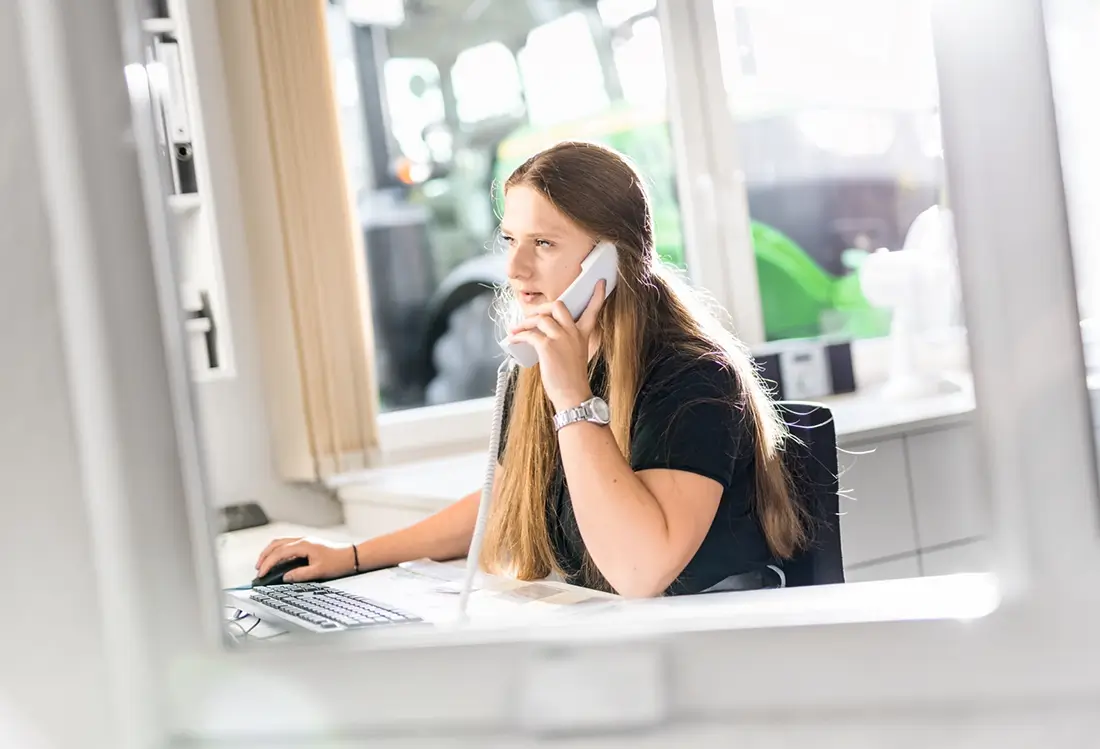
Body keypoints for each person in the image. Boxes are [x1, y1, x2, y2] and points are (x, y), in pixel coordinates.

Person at [255, 141, 806, 597]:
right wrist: (352, 556)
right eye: (510, 241)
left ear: (610, 259)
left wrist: (572, 399)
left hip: (716, 647)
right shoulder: (547, 363)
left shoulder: (693, 378)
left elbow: (641, 573)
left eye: (543, 243)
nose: (515, 269)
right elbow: (508, 499)